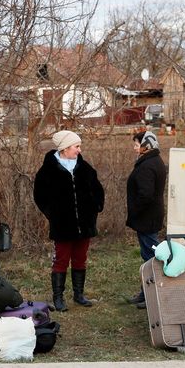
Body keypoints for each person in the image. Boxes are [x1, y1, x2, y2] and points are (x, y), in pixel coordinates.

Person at [33, 130, 105, 311]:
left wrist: (95, 208)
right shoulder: (47, 171)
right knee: (61, 261)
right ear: (65, 148)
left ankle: (78, 295)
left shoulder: (85, 168)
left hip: (85, 226)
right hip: (62, 227)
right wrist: (53, 214)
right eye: (76, 146)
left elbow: (98, 191)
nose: (79, 150)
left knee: (80, 259)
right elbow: (40, 196)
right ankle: (58, 298)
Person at [125, 131, 166, 309]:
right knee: (148, 256)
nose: (134, 148)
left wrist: (133, 211)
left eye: (137, 144)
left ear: (146, 145)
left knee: (150, 258)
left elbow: (145, 195)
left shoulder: (147, 165)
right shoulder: (153, 161)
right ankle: (146, 293)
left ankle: (152, 296)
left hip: (146, 217)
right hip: (150, 216)